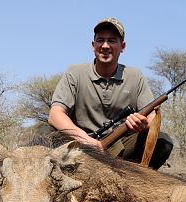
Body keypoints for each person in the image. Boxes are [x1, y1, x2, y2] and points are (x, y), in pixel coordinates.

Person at [48, 17, 173, 169]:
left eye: (112, 41)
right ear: (93, 45)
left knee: (163, 142)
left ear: (122, 46)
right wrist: (86, 141)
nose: (105, 46)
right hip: (78, 143)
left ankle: (133, 182)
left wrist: (141, 123)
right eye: (100, 40)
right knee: (42, 136)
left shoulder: (135, 76)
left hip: (118, 148)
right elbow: (55, 114)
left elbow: (153, 119)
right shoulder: (75, 72)